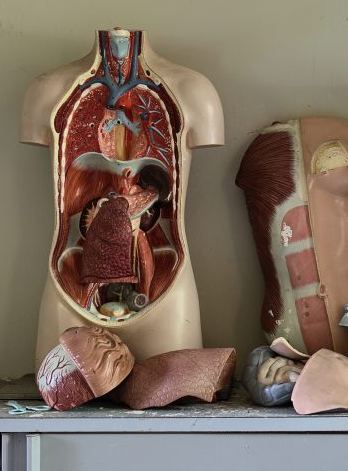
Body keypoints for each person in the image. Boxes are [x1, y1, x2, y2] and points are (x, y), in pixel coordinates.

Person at [22, 28, 223, 367]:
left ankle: (137, 285)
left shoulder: (194, 92)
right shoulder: (48, 91)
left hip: (167, 298)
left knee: (171, 390)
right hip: (70, 298)